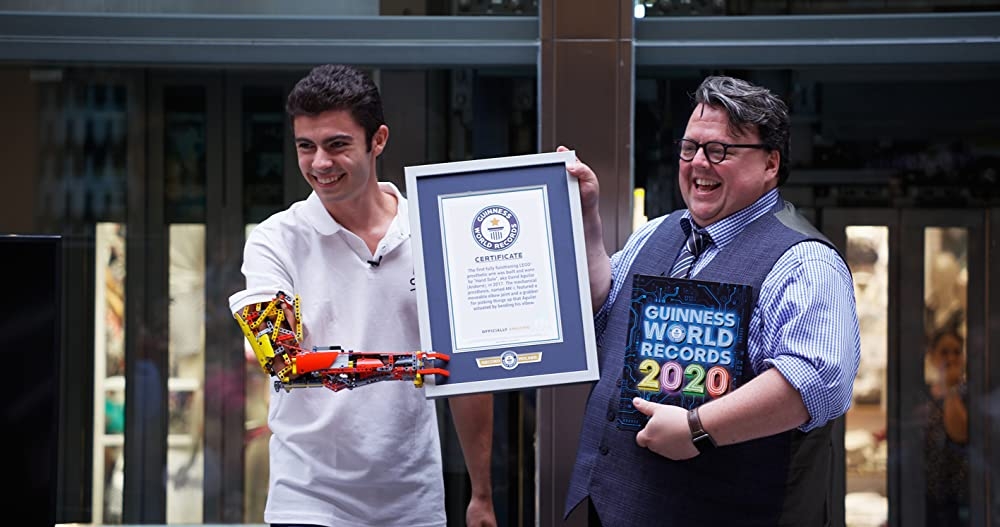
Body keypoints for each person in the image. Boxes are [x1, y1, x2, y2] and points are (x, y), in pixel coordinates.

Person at [561, 75, 861, 525]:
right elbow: (605, 314)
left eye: (719, 150)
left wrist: (696, 428)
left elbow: (816, 380)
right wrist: (586, 218)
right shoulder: (657, 231)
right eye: (690, 148)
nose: (699, 162)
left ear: (770, 163)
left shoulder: (805, 262)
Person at [232, 64, 496, 527]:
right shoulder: (275, 239)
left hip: (413, 500)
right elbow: (283, 363)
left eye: (337, 145)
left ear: (378, 140)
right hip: (307, 498)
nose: (319, 163)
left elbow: (468, 373)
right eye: (306, 146)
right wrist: (406, 365)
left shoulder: (434, 232)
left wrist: (482, 494)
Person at [923, 328, 969, 526]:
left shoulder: (968, 393)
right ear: (932, 356)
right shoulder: (923, 394)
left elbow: (960, 433)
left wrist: (951, 388)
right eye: (944, 352)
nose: (951, 358)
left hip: (959, 497)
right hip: (926, 496)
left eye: (956, 352)